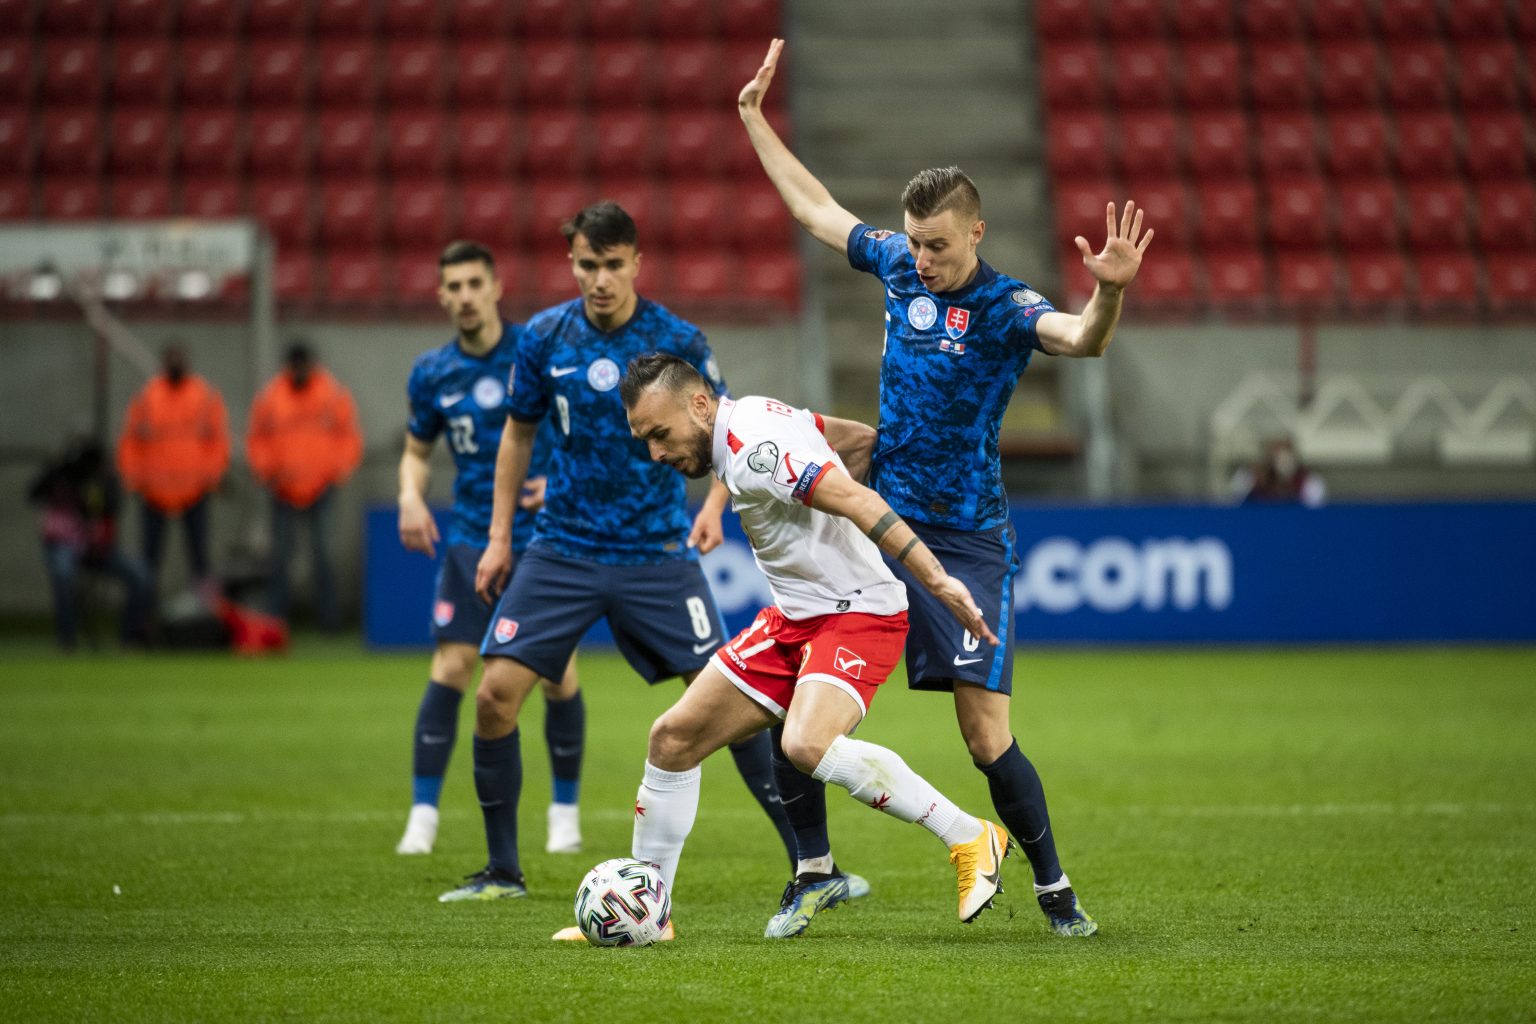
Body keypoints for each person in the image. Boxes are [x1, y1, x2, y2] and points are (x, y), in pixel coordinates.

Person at [739, 38, 1156, 937]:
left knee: (984, 736)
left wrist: (1110, 295)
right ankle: (812, 871)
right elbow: (816, 210)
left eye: (936, 245)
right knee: (794, 696)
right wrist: (753, 120)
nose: (920, 259)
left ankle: (1055, 891)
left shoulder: (1006, 308)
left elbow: (1080, 338)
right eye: (914, 242)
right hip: (881, 524)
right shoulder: (896, 264)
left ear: (976, 233)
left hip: (967, 538)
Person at [439, 202, 829, 904]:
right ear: (572, 264)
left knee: (738, 703)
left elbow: (727, 425)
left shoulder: (676, 339)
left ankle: (812, 866)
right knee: (494, 696)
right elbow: (518, 436)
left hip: (657, 552)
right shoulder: (544, 338)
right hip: (562, 547)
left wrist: (713, 507)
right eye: (588, 265)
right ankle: (502, 871)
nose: (600, 279)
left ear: (636, 264)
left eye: (613, 265)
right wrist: (499, 538)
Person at [559, 353, 1012, 943]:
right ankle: (651, 913)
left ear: (700, 404)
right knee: (672, 740)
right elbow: (855, 439)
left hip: (859, 613)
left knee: (805, 743)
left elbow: (860, 501)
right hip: (795, 619)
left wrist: (938, 580)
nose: (655, 453)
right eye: (644, 439)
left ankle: (970, 836)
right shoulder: (754, 415)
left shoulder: (755, 450)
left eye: (660, 434)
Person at [395, 241, 585, 857]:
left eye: (475, 283)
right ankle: (422, 816)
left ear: (497, 287)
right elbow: (417, 451)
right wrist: (409, 496)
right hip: (471, 538)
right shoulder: (431, 372)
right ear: (441, 295)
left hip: (545, 539)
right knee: (452, 666)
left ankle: (564, 813)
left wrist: (559, 481)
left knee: (557, 675)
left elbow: (585, 431)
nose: (465, 296)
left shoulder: (536, 351)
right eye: (454, 287)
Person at [246, 341, 364, 630]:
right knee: (280, 556)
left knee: (324, 554)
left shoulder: (331, 393)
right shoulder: (272, 396)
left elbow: (348, 436)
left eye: (304, 366)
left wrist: (337, 471)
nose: (300, 372)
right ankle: (275, 620)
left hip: (321, 487)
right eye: (295, 367)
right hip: (283, 488)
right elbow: (257, 438)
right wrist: (267, 472)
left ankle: (329, 620)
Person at [116, 343, 229, 596]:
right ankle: (144, 612)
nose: (176, 364)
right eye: (171, 359)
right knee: (149, 558)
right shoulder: (147, 396)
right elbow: (130, 441)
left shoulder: (204, 395)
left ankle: (204, 611)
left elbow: (218, 441)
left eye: (180, 358)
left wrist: (211, 477)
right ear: (163, 363)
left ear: (188, 362)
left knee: (199, 557)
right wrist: (134, 479)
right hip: (155, 490)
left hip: (194, 489)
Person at [28, 434, 152, 650]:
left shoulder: (101, 479)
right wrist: (57, 468)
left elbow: (111, 505)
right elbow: (33, 493)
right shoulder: (59, 475)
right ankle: (67, 641)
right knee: (63, 573)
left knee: (142, 575)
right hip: (63, 543)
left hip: (97, 548)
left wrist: (97, 482)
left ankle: (128, 638)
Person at [1232, 437, 1326, 507]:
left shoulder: (1308, 481)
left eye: (1285, 452)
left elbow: (1316, 512)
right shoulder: (1251, 477)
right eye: (1276, 453)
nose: (1281, 458)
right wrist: (1255, 481)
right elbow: (1234, 504)